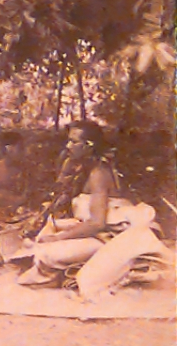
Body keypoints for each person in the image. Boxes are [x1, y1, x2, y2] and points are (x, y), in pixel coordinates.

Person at [17, 121, 173, 299]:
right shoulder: (79, 167)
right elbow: (62, 201)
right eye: (68, 141)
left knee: (47, 253)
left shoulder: (99, 173)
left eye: (74, 142)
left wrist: (58, 237)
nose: (68, 146)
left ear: (89, 146)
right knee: (42, 238)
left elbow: (98, 223)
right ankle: (60, 267)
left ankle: (124, 270)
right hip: (93, 230)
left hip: (110, 236)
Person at [0, 131, 29, 209]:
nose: (24, 152)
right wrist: (15, 200)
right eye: (21, 148)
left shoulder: (24, 169)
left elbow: (27, 195)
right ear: (8, 149)